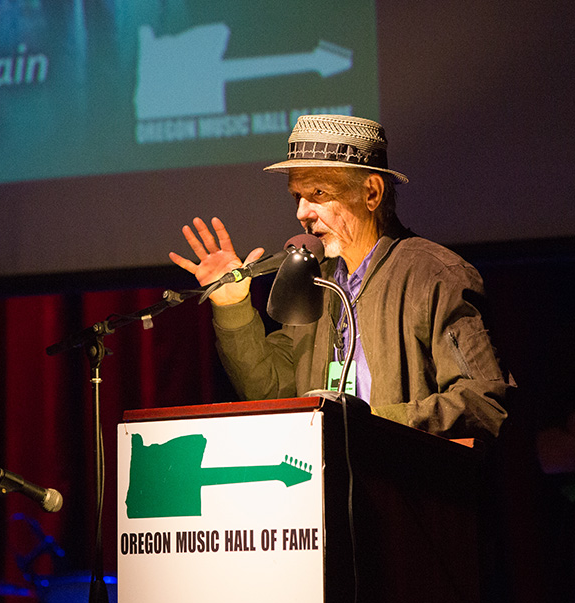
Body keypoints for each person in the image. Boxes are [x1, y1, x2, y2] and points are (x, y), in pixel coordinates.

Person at [170, 114, 514, 439]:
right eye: (297, 196)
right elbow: (270, 389)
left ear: (371, 193)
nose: (302, 213)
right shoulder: (314, 279)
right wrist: (233, 306)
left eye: (319, 194)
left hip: (400, 490)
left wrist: (370, 425)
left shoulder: (435, 274)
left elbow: (483, 402)